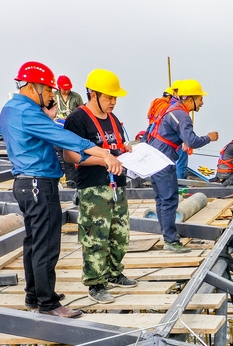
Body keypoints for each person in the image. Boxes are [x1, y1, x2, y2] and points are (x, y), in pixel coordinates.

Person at [0, 61, 122, 318]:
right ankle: (49, 303)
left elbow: (49, 130)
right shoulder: (27, 112)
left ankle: (35, 294)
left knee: (33, 241)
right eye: (48, 91)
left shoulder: (12, 108)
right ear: (33, 88)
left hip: (25, 183)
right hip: (39, 183)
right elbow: (64, 138)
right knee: (46, 244)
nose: (52, 95)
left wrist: (50, 118)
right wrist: (102, 152)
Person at [63, 69, 137, 305]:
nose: (113, 102)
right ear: (93, 95)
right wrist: (104, 159)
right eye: (108, 97)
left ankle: (114, 272)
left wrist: (126, 151)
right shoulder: (77, 119)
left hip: (117, 185)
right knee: (96, 236)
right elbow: (71, 156)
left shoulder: (113, 119)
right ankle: (96, 283)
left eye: (115, 98)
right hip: (93, 188)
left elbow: (114, 146)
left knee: (120, 234)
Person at [146, 79, 218, 252]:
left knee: (161, 199)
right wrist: (209, 137)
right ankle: (170, 240)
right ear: (190, 98)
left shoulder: (171, 109)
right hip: (163, 160)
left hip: (154, 156)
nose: (202, 102)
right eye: (200, 98)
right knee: (170, 199)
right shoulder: (182, 115)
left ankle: (166, 234)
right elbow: (192, 141)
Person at [53, 75, 82, 187]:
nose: (66, 90)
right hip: (57, 130)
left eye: (68, 88)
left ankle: (73, 182)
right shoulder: (53, 96)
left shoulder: (76, 97)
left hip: (72, 129)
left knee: (73, 156)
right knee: (63, 155)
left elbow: (82, 111)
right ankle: (69, 182)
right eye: (64, 88)